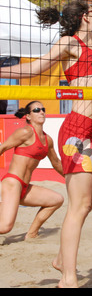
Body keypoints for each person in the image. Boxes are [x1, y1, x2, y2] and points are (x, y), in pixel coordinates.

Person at [0, 0, 92, 288]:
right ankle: (68, 278)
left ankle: (62, 258)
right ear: (85, 16)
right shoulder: (71, 44)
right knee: (80, 204)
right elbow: (35, 69)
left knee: (88, 204)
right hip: (78, 129)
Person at [0, 101, 64, 240]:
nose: (41, 112)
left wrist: (72, 179)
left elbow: (57, 163)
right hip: (13, 182)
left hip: (24, 187)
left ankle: (32, 234)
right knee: (5, 227)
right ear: (28, 116)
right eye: (36, 110)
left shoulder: (48, 140)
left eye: (43, 109)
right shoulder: (25, 132)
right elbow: (2, 148)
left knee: (57, 200)